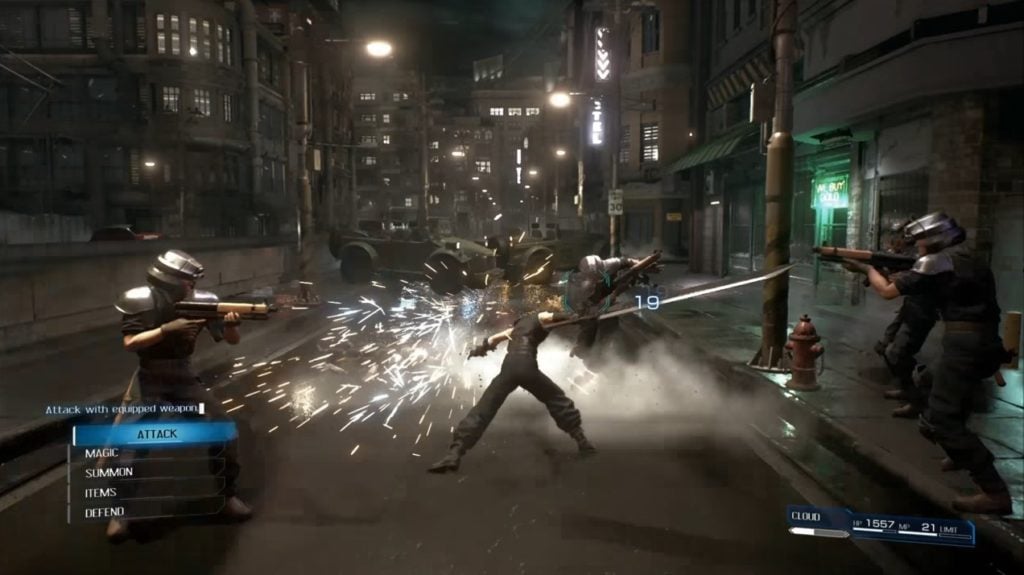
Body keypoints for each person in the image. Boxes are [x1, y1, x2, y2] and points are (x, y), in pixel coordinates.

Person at [844, 212, 1013, 515]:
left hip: (965, 345)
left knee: (941, 419)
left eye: (920, 241)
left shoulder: (939, 261)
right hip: (981, 340)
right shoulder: (965, 257)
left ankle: (994, 491)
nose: (917, 247)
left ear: (934, 240)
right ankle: (960, 454)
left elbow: (887, 292)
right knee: (928, 382)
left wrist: (868, 268)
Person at [106, 250, 253, 542]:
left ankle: (227, 496)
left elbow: (231, 340)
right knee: (127, 448)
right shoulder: (140, 300)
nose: (192, 287)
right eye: (187, 282)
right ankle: (120, 512)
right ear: (170, 281)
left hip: (183, 376)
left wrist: (232, 325)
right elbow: (131, 343)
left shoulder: (203, 301)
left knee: (223, 429)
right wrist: (165, 330)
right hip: (150, 377)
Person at [428, 311, 595, 473]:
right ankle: (582, 442)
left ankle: (454, 453)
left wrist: (480, 350)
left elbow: (492, 340)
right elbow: (549, 316)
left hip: (508, 369)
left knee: (483, 409)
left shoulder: (513, 331)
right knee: (556, 397)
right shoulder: (536, 318)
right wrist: (575, 318)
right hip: (526, 366)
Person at [874, 219, 938, 418]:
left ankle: (915, 399)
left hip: (921, 310)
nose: (898, 240)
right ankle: (906, 388)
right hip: (911, 306)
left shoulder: (929, 261)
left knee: (898, 353)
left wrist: (869, 270)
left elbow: (891, 289)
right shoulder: (918, 257)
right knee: (887, 347)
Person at [567, 255, 644, 360]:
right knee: (590, 323)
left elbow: (625, 261)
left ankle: (606, 348)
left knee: (614, 321)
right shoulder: (580, 287)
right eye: (593, 275)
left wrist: (640, 265)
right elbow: (594, 309)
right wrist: (615, 293)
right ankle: (583, 347)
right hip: (593, 305)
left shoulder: (607, 265)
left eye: (598, 273)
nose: (596, 276)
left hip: (610, 292)